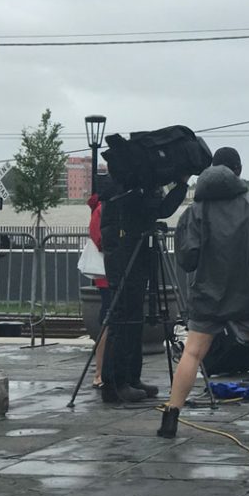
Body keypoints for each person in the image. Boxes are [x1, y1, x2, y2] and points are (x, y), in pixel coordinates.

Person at [157, 146, 249, 439]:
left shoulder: (195, 211)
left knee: (192, 353)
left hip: (208, 296)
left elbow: (187, 259)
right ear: (237, 172)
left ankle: (170, 419)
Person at [100, 173, 188, 404]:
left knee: (135, 313)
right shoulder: (122, 188)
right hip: (123, 252)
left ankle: (132, 378)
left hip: (137, 250)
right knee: (122, 315)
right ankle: (114, 384)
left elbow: (160, 210)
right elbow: (134, 209)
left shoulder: (142, 187)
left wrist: (181, 182)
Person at [86, 189, 109, 388]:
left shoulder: (99, 208)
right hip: (107, 275)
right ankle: (99, 372)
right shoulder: (102, 209)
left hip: (108, 275)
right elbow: (100, 239)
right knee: (108, 322)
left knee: (108, 322)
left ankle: (102, 371)